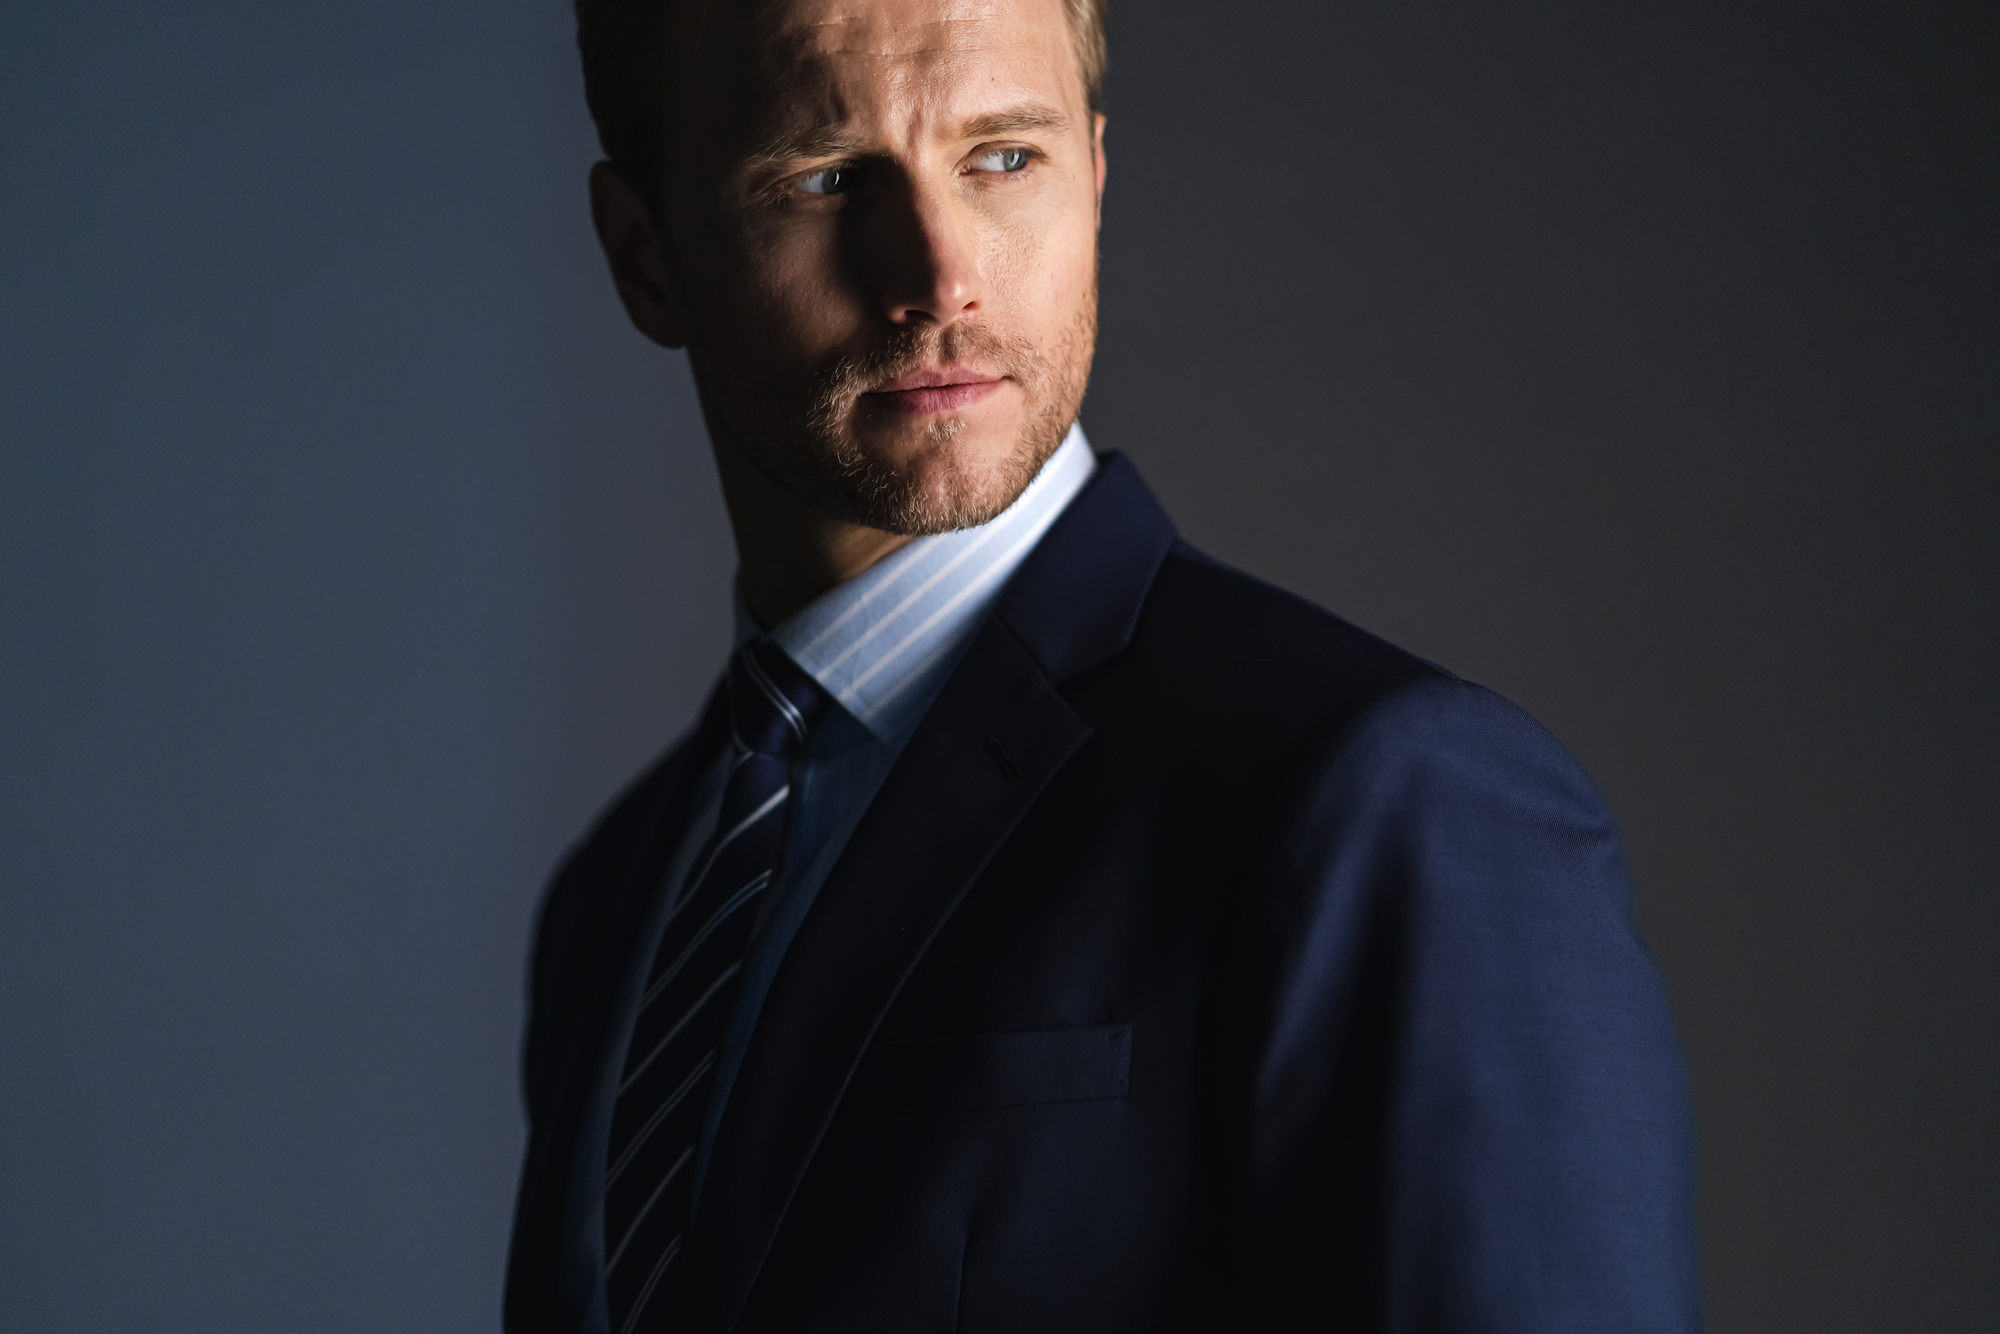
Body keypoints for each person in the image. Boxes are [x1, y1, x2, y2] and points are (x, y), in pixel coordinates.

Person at [505, 0, 1701, 1328]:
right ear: (644, 255)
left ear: (1097, 176)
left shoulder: (1386, 800)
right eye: (829, 177)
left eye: (1005, 156)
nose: (940, 273)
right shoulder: (617, 900)